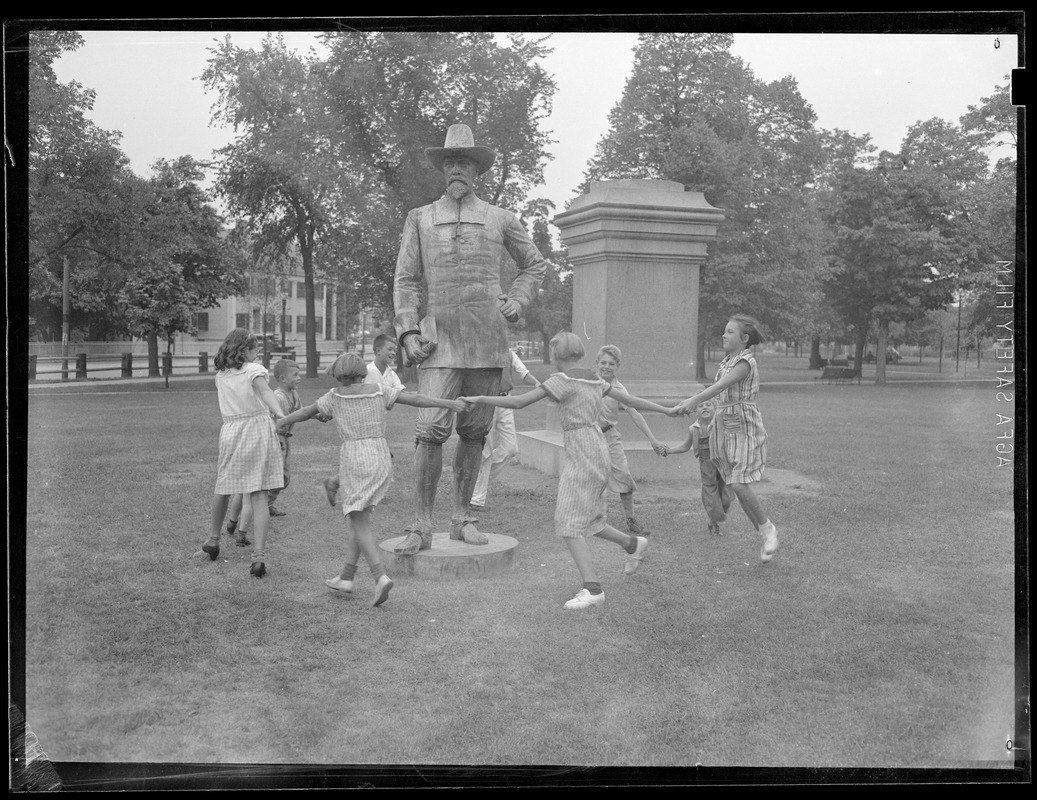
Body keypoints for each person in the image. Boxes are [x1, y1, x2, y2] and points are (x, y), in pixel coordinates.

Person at [392, 123, 548, 555]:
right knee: (428, 431)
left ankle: (463, 519)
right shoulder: (419, 218)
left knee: (475, 433)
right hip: (438, 344)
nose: (455, 169)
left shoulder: (502, 218)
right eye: (450, 163)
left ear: (476, 170)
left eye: (463, 162)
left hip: (487, 343)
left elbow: (534, 265)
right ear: (442, 170)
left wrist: (518, 299)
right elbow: (406, 280)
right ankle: (421, 526)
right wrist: (406, 330)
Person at [460, 332, 680, 610]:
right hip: (597, 447)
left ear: (557, 355)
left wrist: (479, 398)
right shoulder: (593, 378)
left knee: (567, 521)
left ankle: (593, 589)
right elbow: (633, 401)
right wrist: (668, 410)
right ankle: (632, 544)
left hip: (583, 451)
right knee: (589, 518)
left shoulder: (562, 381)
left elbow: (518, 402)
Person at [277, 353, 466, 605]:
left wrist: (281, 422)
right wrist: (450, 404)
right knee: (359, 516)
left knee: (359, 521)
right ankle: (346, 577)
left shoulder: (334, 396)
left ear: (339, 375)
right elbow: (417, 398)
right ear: (361, 372)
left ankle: (380, 578)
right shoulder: (379, 390)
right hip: (380, 457)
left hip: (355, 460)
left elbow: (304, 414)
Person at [674, 315, 779, 562]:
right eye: (724, 331)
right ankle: (765, 534)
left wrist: (694, 400)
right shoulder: (726, 362)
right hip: (725, 426)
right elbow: (719, 394)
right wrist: (692, 403)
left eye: (730, 332)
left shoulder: (745, 362)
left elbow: (721, 387)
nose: (724, 335)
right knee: (734, 483)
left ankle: (768, 530)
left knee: (739, 483)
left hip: (744, 426)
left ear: (744, 339)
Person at [196, 328, 285, 578]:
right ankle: (258, 557)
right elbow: (266, 393)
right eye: (255, 349)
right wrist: (280, 413)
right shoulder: (254, 370)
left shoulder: (221, 376)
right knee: (258, 493)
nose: (257, 354)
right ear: (245, 350)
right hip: (255, 428)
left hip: (230, 430)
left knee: (223, 487)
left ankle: (213, 540)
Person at [322, 335, 404, 507]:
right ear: (377, 351)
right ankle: (346, 487)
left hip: (376, 427)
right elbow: (348, 394)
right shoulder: (365, 372)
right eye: (389, 349)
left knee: (378, 460)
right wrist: (329, 413)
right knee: (371, 460)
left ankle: (336, 482)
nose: (393, 352)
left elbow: (401, 395)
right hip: (358, 427)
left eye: (395, 350)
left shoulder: (391, 374)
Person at [594, 344, 666, 536]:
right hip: (589, 437)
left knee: (624, 476)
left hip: (610, 436)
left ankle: (631, 519)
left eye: (611, 364)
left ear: (617, 367)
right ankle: (589, 518)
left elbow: (635, 414)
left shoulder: (619, 388)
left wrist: (653, 440)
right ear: (597, 363)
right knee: (592, 478)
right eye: (603, 363)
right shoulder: (589, 382)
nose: (606, 367)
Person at [469, 348, 541, 511]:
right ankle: (477, 499)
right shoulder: (479, 351)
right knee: (486, 451)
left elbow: (523, 372)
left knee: (510, 449)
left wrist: (537, 383)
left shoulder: (508, 352)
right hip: (486, 401)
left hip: (506, 400)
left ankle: (473, 483)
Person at [659, 397, 735, 536]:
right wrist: (670, 450)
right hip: (707, 465)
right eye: (700, 406)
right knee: (711, 494)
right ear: (695, 411)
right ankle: (714, 522)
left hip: (724, 463)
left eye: (708, 405)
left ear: (716, 409)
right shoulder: (693, 429)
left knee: (726, 496)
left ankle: (717, 516)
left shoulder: (721, 424)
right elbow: (685, 446)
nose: (704, 407)